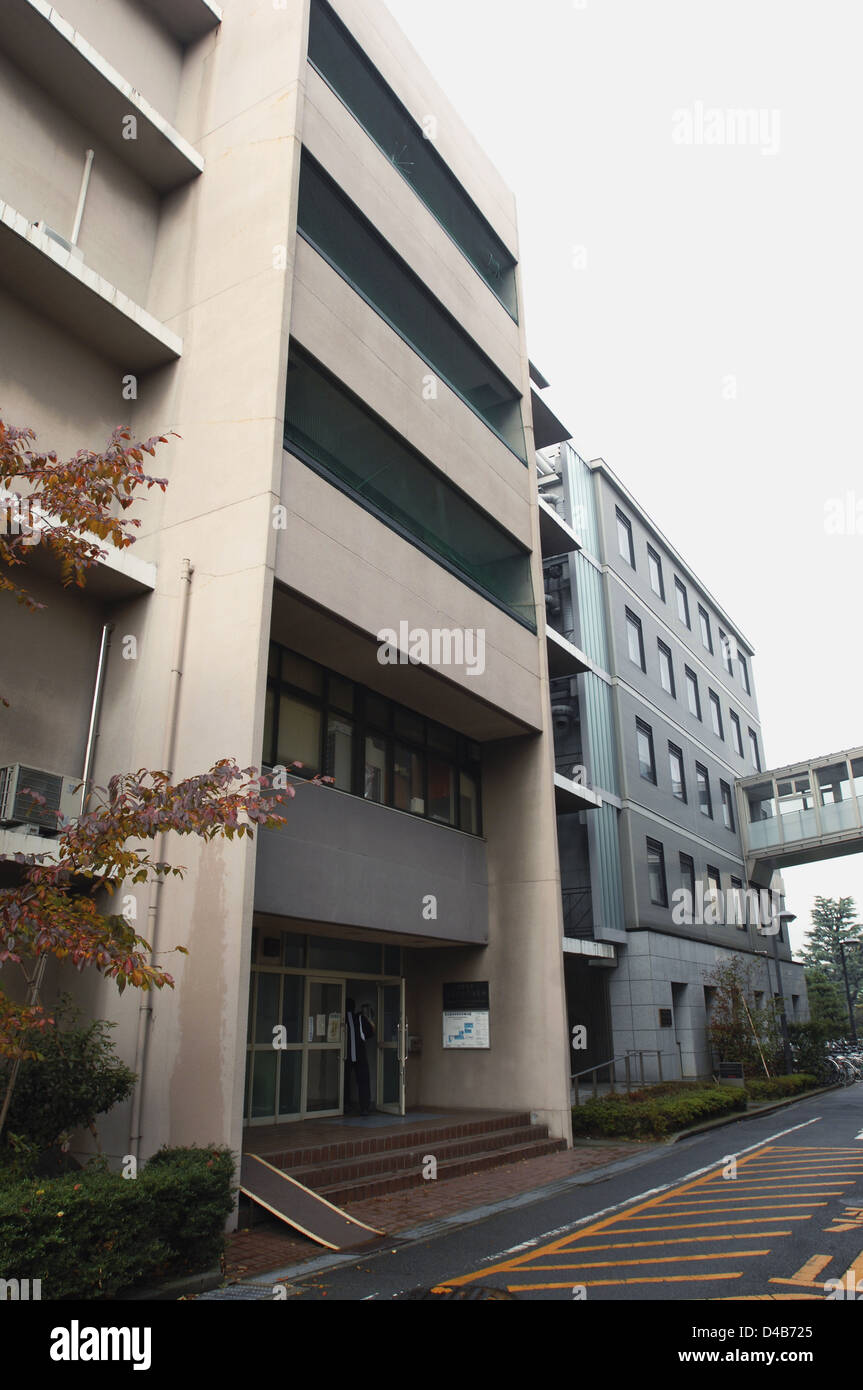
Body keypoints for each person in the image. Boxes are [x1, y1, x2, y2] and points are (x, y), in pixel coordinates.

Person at [344, 997, 375, 1116]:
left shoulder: (342, 1018)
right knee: (363, 1080)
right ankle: (364, 1107)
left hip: (345, 1054)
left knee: (344, 1080)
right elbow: (370, 1033)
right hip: (360, 1053)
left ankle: (345, 1105)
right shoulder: (360, 1018)